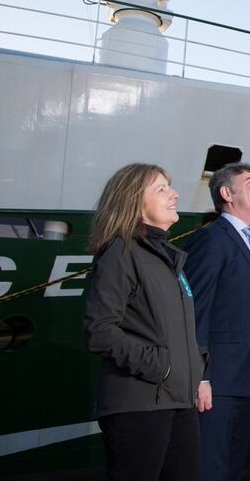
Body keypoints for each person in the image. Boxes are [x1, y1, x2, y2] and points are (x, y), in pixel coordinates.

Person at [83, 163, 204, 481]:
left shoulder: (168, 257)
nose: (174, 193)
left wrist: (197, 366)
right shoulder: (120, 254)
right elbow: (100, 331)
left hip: (178, 400)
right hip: (139, 404)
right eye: (161, 189)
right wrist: (161, 367)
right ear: (134, 203)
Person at [183, 162, 250, 481]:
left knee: (232, 467)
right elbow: (195, 310)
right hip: (217, 380)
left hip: (248, 377)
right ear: (227, 193)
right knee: (209, 468)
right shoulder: (211, 239)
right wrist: (201, 377)